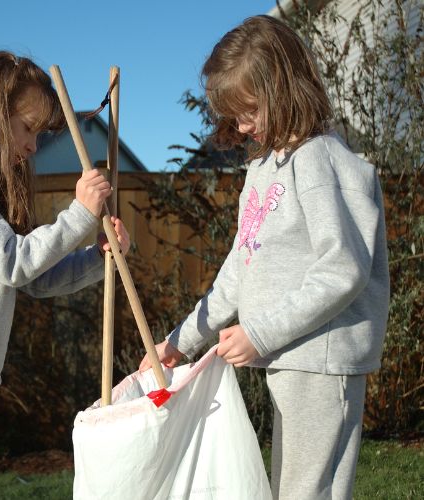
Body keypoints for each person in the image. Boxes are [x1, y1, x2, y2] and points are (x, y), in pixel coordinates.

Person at [140, 15, 390, 500]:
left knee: (310, 491)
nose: (241, 125)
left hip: (323, 362)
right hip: (291, 360)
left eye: (249, 110)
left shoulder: (318, 161)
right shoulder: (264, 170)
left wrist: (259, 333)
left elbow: (345, 269)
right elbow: (239, 271)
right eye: (233, 115)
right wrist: (180, 341)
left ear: (286, 88)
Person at [0, 51, 130, 499]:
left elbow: (33, 277)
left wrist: (99, 257)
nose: (33, 145)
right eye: (28, 128)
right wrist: (78, 214)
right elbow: (11, 261)